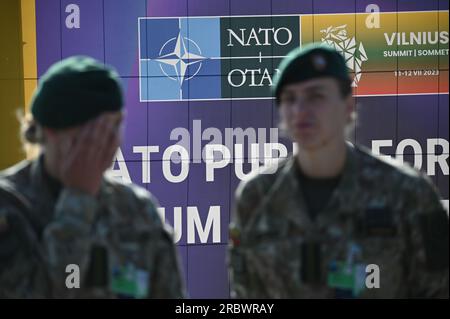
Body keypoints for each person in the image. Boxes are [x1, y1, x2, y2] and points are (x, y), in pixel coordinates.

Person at [229, 44, 449, 298]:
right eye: (290, 98)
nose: (300, 110)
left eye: (315, 96)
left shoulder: (406, 193)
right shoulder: (257, 196)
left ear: (348, 106)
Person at [0, 56, 185, 298]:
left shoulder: (135, 209)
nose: (107, 140)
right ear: (50, 132)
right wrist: (78, 199)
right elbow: (56, 288)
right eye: (92, 132)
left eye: (116, 125)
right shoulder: (10, 207)